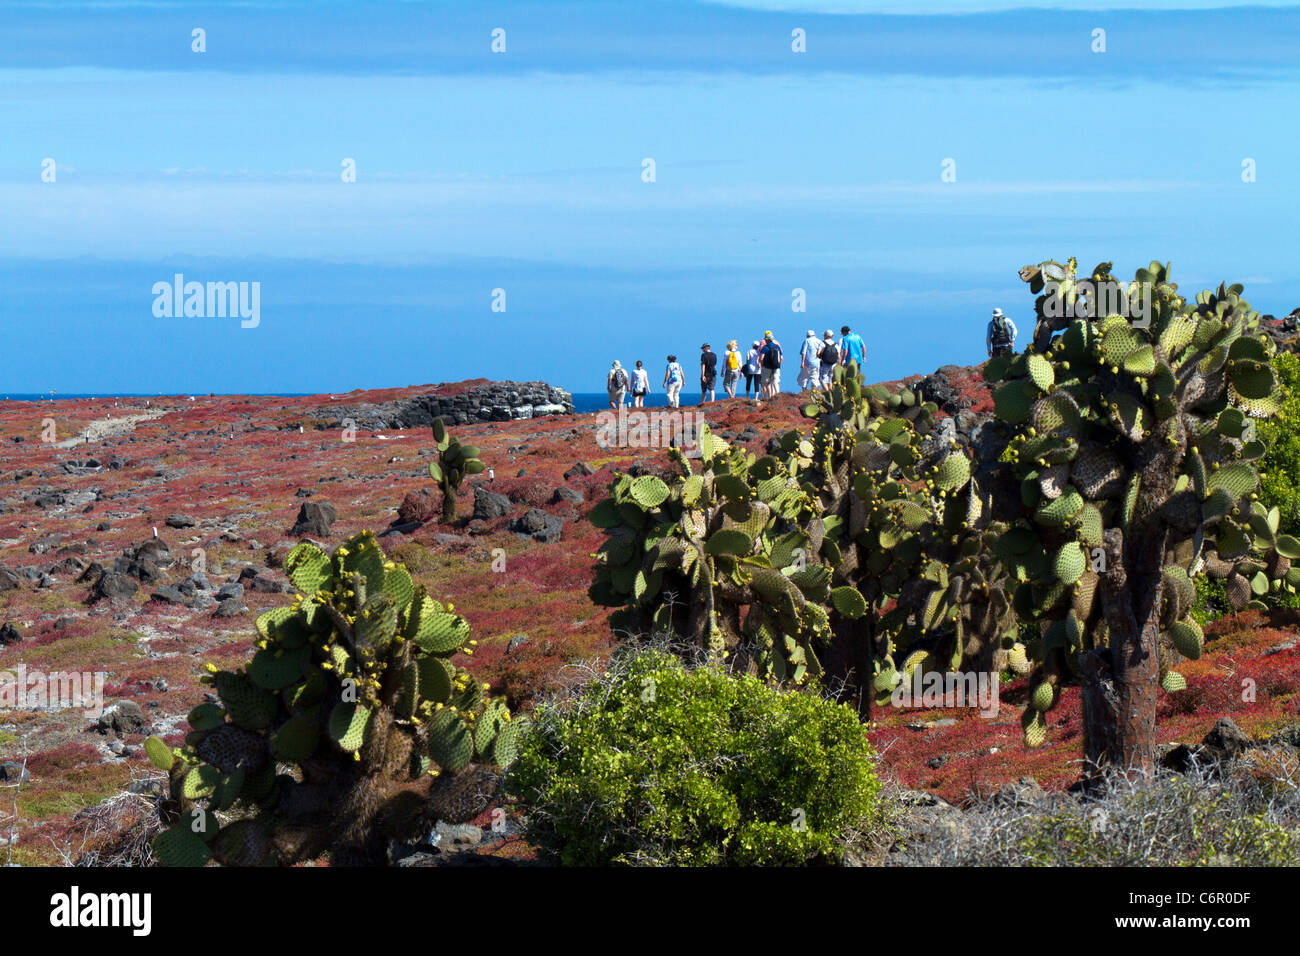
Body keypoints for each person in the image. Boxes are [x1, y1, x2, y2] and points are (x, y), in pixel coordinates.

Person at [758, 331, 783, 401]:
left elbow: (761, 358)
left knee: (765, 383)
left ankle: (766, 398)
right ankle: (778, 397)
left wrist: (762, 365)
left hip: (766, 367)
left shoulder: (765, 347)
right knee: (775, 382)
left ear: (767, 340)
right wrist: (778, 365)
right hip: (776, 367)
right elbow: (781, 358)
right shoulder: (777, 347)